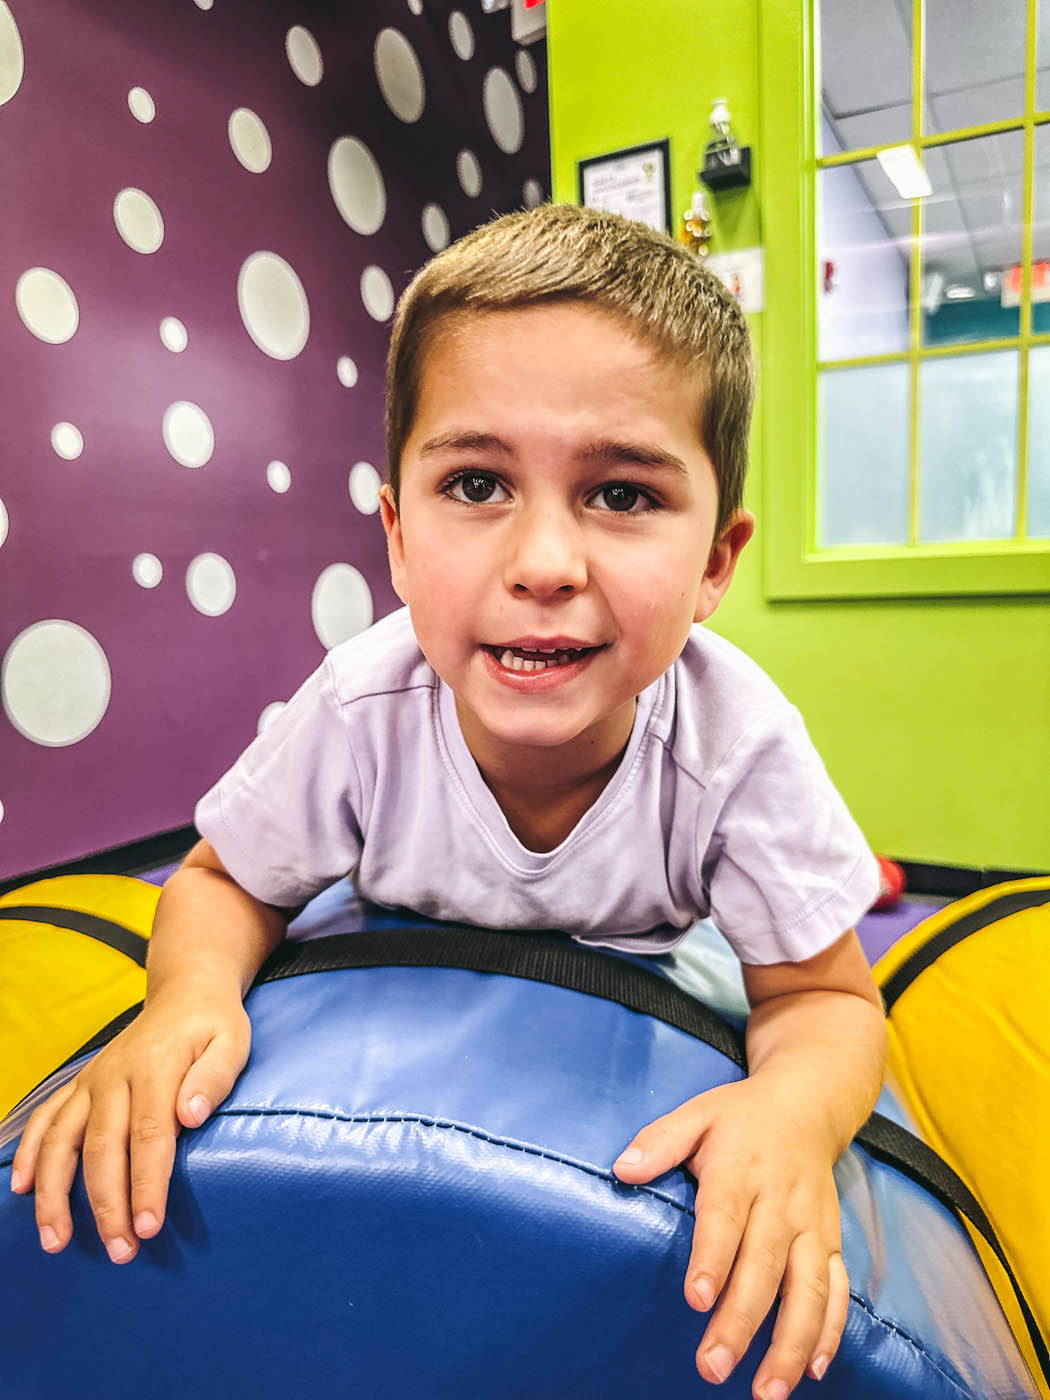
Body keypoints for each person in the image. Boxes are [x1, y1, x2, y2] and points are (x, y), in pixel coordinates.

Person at [11, 204, 887, 1400]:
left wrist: (792, 1110)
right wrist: (186, 999)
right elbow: (222, 880)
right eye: (476, 482)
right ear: (397, 537)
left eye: (622, 495)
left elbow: (829, 996)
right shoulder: (369, 703)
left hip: (642, 982)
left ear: (716, 562)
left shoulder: (736, 745)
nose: (544, 561)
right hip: (390, 974)